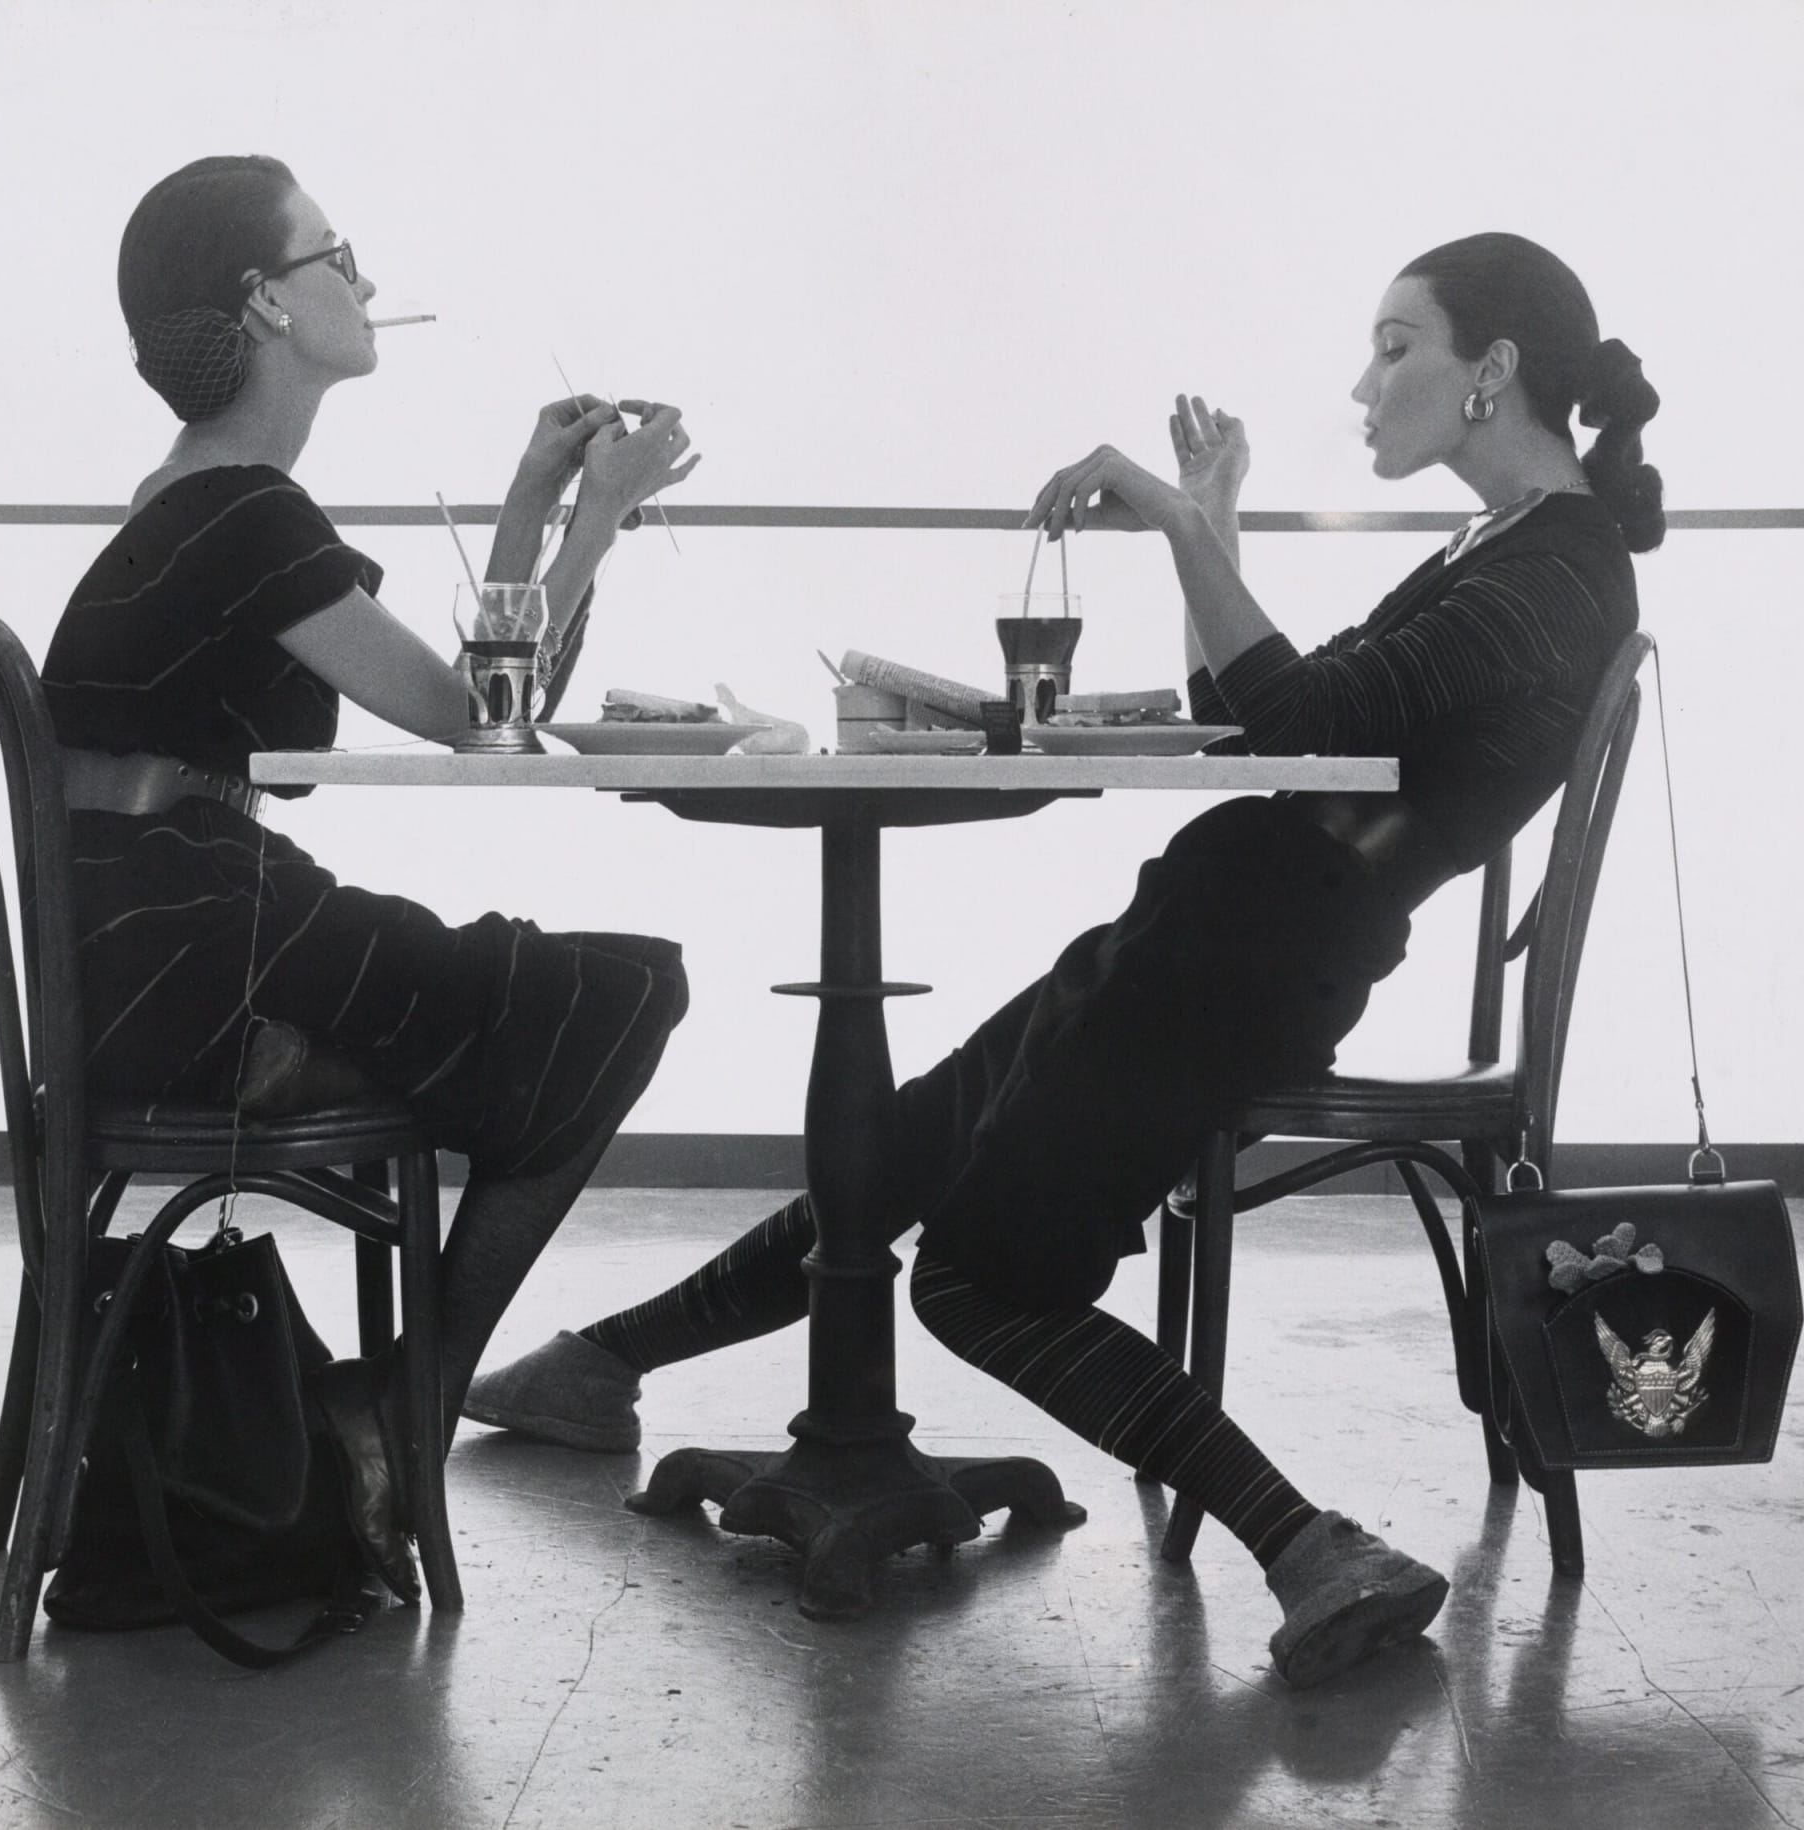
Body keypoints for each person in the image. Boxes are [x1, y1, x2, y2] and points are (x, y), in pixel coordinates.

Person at [465, 233, 1662, 1687]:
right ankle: (606, 1359)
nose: (1364, 381)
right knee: (899, 1143)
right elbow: (1283, 713)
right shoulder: (1511, 552)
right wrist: (1210, 528)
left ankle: (1309, 1542)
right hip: (1210, 935)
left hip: (1248, 975)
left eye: (1396, 346)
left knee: (975, 1279)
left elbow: (1292, 724)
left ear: (1498, 371)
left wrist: (1172, 519)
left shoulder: (1555, 571)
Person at [41, 154, 700, 1604]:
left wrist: (536, 502)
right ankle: (402, 1407)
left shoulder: (206, 501)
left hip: (162, 947)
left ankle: (396, 1401)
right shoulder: (245, 518)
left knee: (586, 997)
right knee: (623, 998)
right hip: (204, 956)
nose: (369, 281)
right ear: (267, 304)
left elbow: (487, 705)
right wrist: (602, 512)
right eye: (339, 253)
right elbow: (484, 722)